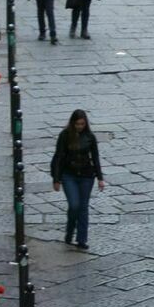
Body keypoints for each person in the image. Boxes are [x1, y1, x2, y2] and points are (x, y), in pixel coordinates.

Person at [51, 107, 104, 249]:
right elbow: (59, 157)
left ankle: (82, 239)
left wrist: (100, 177)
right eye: (77, 124)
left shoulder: (90, 137)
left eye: (82, 124)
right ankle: (69, 230)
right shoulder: (65, 136)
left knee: (83, 207)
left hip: (87, 175)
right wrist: (56, 178)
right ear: (73, 123)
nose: (80, 127)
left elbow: (95, 158)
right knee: (74, 205)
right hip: (69, 175)